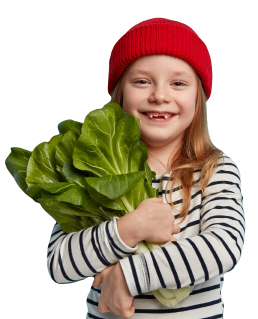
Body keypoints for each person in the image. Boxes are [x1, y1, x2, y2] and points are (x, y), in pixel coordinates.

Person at [46, 17, 245, 318]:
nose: (160, 96)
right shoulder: (93, 172)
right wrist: (128, 229)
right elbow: (58, 264)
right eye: (142, 81)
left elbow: (224, 246)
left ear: (199, 98)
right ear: (120, 93)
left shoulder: (214, 169)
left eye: (178, 83)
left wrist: (129, 274)